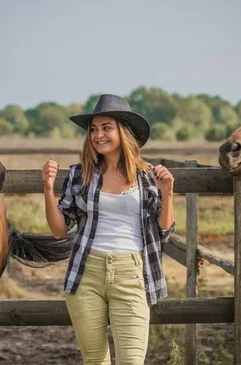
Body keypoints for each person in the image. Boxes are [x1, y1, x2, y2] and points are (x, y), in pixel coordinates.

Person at [41, 94, 175, 364]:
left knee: (132, 360)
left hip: (132, 274)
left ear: (123, 132)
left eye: (106, 127)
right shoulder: (80, 175)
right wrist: (47, 187)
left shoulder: (147, 175)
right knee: (94, 359)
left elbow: (164, 231)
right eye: (93, 129)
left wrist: (168, 194)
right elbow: (59, 231)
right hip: (87, 272)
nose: (98, 135)